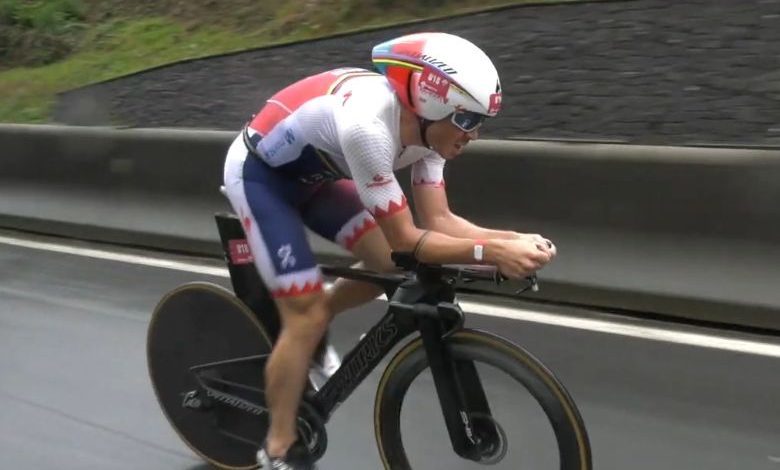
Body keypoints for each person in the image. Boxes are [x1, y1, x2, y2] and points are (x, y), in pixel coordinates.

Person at [222, 31, 557, 469]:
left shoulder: (431, 132)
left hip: (316, 176)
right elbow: (408, 240)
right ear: (436, 104)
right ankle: (278, 447)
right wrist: (492, 254)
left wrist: (509, 240)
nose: (474, 135)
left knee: (384, 268)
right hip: (261, 178)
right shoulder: (370, 128)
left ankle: (316, 315)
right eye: (469, 121)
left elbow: (439, 221)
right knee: (306, 315)